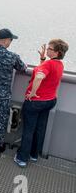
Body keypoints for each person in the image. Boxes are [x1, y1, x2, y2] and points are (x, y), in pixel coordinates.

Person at [14, 39, 69, 167]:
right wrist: (42, 59)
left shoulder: (48, 65)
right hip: (49, 101)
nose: (47, 49)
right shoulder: (59, 64)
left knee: (28, 129)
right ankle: (34, 155)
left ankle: (22, 159)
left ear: (57, 52)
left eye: (50, 49)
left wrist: (33, 92)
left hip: (36, 102)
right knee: (40, 128)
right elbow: (45, 73)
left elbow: (39, 76)